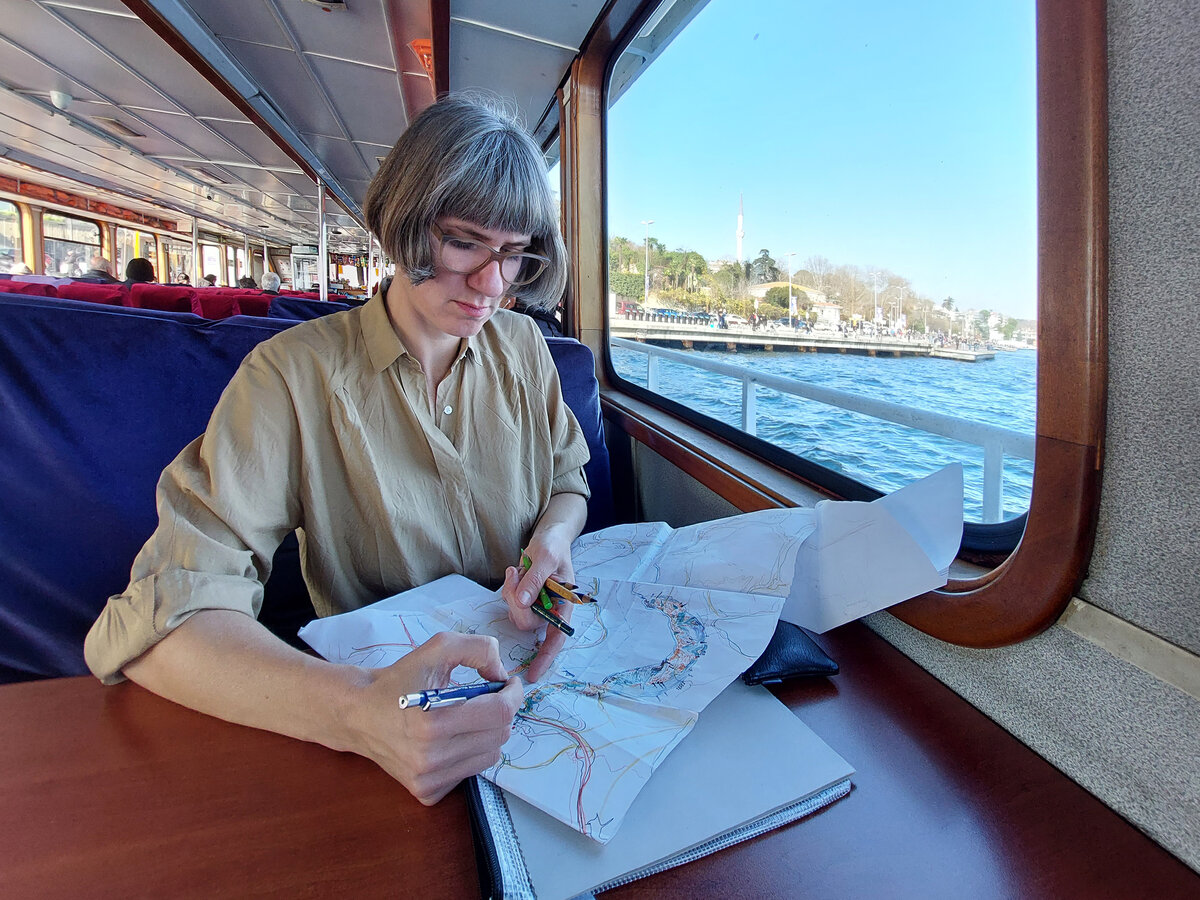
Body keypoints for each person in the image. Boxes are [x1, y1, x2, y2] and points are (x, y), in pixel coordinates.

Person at [84, 93, 589, 806]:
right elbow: (170, 614)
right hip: (386, 731)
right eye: (465, 243)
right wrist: (358, 711)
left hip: (527, 696)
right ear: (403, 224)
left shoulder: (526, 349)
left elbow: (568, 476)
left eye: (512, 254)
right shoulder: (290, 377)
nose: (492, 285)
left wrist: (553, 539)